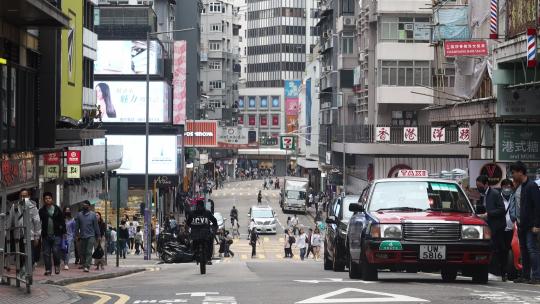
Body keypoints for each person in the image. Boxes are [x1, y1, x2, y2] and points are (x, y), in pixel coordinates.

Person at [510, 162, 540, 284]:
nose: (512, 175)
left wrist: (537, 225)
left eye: (513, 173)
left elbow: (537, 206)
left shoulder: (531, 186)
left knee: (532, 249)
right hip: (521, 224)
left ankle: (537, 276)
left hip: (530, 225)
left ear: (520, 172)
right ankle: (525, 275)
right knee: (524, 250)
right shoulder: (519, 186)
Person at [476, 175, 506, 281]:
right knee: (490, 249)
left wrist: (488, 214)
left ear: (486, 184)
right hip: (487, 226)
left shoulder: (494, 194)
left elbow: (502, 209)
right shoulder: (482, 195)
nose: (478, 188)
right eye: (477, 186)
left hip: (496, 226)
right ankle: (492, 271)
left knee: (496, 249)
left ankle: (497, 273)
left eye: (480, 186)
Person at [38, 192, 66, 275]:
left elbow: (62, 221)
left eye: (49, 198)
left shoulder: (57, 209)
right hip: (46, 235)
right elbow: (38, 222)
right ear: (44, 200)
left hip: (57, 235)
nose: (48, 200)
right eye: (46, 198)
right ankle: (48, 270)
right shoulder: (41, 211)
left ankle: (57, 265)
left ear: (52, 199)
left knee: (55, 251)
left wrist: (64, 232)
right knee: (46, 253)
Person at [187, 199, 218, 265]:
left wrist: (191, 227)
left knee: (193, 243)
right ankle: (208, 258)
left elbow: (188, 223)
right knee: (210, 242)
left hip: (195, 234)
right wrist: (214, 229)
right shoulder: (207, 213)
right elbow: (214, 221)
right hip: (205, 234)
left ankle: (195, 254)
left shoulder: (192, 213)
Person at [74, 200, 101, 272]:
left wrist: (98, 235)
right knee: (82, 252)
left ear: (89, 206)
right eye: (83, 205)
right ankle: (84, 264)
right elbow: (77, 226)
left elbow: (96, 226)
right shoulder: (79, 215)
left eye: (86, 205)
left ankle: (87, 266)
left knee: (89, 251)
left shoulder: (93, 215)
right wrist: (76, 235)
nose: (84, 206)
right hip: (82, 236)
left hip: (91, 236)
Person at [499, 179, 517, 281]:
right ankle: (502, 272)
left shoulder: (514, 197)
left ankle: (508, 272)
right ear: (501, 187)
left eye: (509, 186)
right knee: (502, 251)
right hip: (501, 228)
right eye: (505, 186)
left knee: (510, 251)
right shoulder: (498, 197)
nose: (507, 188)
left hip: (512, 229)